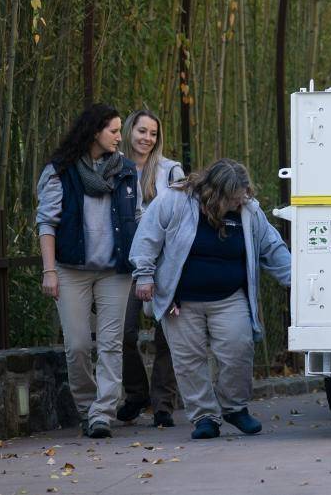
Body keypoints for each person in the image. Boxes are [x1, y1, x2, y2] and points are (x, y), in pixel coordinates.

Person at [129, 158, 292, 439]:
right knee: (188, 360)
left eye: (242, 196)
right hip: (181, 299)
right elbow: (147, 237)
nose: (239, 201)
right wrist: (144, 275)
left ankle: (234, 407)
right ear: (216, 193)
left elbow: (273, 248)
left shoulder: (249, 211)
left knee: (238, 350)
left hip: (229, 297)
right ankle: (204, 416)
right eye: (233, 198)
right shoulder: (175, 201)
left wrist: (296, 281)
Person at [37, 104, 141, 439]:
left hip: (115, 271)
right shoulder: (60, 170)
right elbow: (47, 222)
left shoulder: (126, 170)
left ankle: (102, 413)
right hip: (71, 269)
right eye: (114, 130)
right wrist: (49, 271)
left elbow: (137, 216)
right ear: (95, 131)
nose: (119, 136)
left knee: (111, 343)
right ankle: (86, 406)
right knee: (78, 344)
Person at [117, 110, 184, 428]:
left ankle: (163, 404)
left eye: (153, 133)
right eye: (141, 131)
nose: (147, 138)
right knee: (122, 332)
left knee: (166, 335)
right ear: (129, 131)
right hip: (124, 263)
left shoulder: (170, 171)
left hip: (165, 262)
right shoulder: (113, 167)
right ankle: (136, 393)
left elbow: (183, 214)